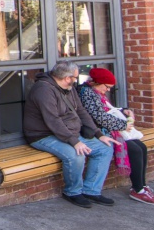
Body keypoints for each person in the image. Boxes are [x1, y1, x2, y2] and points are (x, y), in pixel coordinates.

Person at [23, 61, 120, 208]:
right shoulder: (43, 90)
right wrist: (74, 141)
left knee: (104, 148)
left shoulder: (69, 87)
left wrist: (98, 134)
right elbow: (53, 120)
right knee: (75, 155)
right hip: (42, 135)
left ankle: (91, 190)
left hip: (68, 132)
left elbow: (81, 111)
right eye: (75, 77)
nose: (76, 80)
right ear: (67, 78)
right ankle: (73, 192)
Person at [77, 68, 154, 205]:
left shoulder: (96, 92)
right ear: (97, 82)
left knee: (141, 146)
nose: (108, 90)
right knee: (134, 150)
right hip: (97, 131)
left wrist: (123, 110)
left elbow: (107, 109)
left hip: (107, 130)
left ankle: (142, 186)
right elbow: (99, 117)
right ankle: (138, 189)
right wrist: (123, 125)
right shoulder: (86, 94)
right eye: (107, 87)